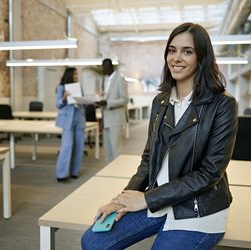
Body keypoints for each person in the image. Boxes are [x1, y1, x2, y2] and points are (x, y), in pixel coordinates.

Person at [81, 22, 238, 249]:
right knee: (93, 242)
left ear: (202, 57)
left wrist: (145, 199)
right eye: (172, 50)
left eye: (187, 51)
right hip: (158, 201)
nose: (176, 57)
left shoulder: (222, 104)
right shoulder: (161, 101)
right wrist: (121, 200)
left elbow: (209, 174)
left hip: (197, 210)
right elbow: (148, 160)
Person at [55, 67, 86, 182]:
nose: (76, 76)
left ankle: (74, 171)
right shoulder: (62, 87)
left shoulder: (79, 86)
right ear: (69, 75)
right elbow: (57, 104)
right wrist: (63, 98)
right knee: (67, 146)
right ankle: (61, 173)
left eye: (76, 74)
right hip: (67, 119)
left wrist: (85, 101)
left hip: (79, 117)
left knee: (79, 146)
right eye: (74, 74)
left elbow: (82, 101)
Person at [96, 58, 129, 163]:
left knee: (116, 150)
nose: (102, 69)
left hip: (115, 119)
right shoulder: (105, 79)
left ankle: (117, 173)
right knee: (108, 150)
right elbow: (107, 97)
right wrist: (99, 102)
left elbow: (124, 99)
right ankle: (109, 172)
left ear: (110, 66)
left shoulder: (119, 79)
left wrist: (107, 103)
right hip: (106, 120)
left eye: (104, 66)